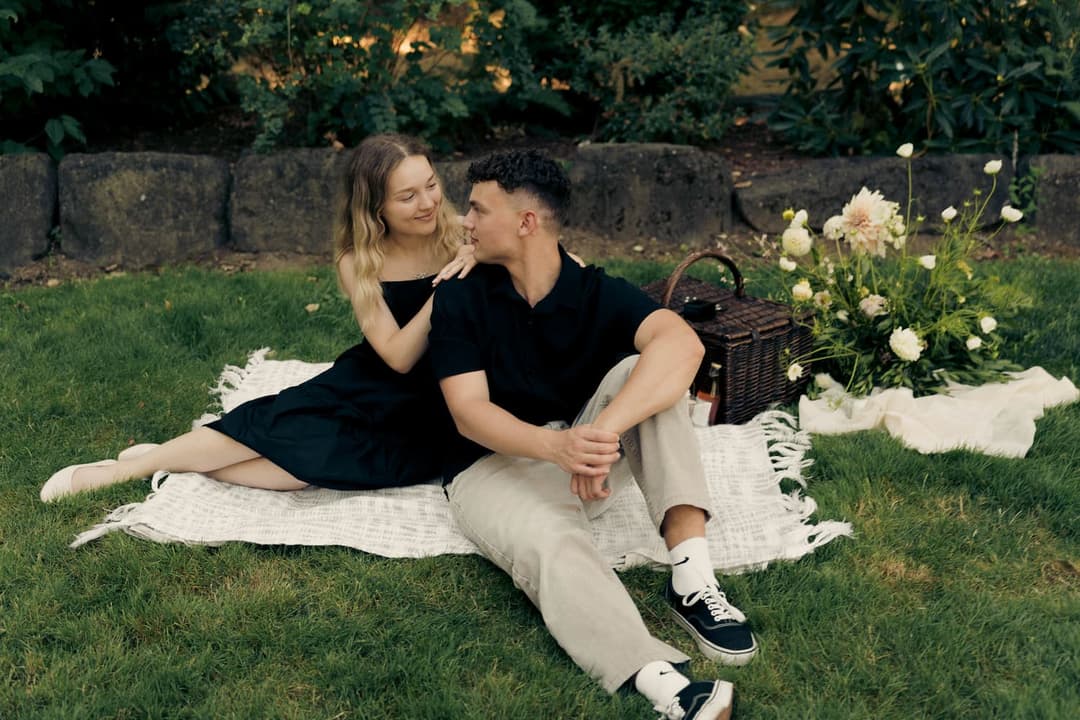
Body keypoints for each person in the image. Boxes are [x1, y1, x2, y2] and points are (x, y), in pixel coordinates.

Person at [428, 150, 758, 720]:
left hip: (584, 462)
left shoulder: (594, 289)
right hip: (490, 467)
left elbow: (684, 345)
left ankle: (692, 578)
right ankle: (667, 685)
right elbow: (468, 412)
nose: (465, 222)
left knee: (648, 373)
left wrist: (599, 435)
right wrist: (556, 447)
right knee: (549, 540)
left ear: (526, 222)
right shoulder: (460, 293)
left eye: (479, 210)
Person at [41, 133, 475, 502]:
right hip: (375, 382)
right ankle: (122, 472)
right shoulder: (359, 259)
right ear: (375, 206)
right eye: (407, 196)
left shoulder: (462, 234)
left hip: (440, 395)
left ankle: (178, 460)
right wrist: (446, 290)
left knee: (301, 472)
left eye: (431, 185)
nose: (428, 203)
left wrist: (473, 255)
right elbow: (397, 357)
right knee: (272, 425)